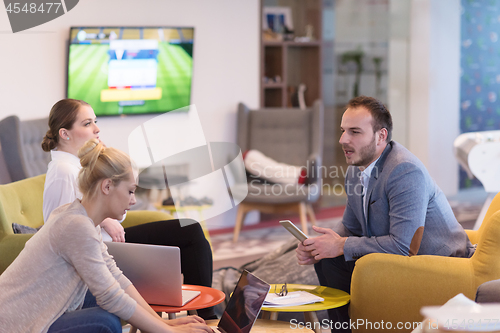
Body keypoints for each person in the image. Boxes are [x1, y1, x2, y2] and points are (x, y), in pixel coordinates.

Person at [296, 96, 474, 331]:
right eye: (343, 131)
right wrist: (321, 244)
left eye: (355, 132)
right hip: (400, 259)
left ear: (381, 136)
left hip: (439, 264)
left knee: (338, 254)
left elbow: (404, 246)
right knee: (327, 259)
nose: (343, 140)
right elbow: (350, 227)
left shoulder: (405, 170)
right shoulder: (356, 170)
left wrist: (341, 245)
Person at [0, 139, 212, 333]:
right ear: (107, 186)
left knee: (113, 300)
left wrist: (165, 324)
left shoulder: (81, 217)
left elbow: (115, 276)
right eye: (130, 191)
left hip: (30, 312)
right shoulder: (76, 225)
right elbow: (110, 295)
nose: (133, 201)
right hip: (16, 324)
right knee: (106, 321)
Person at [41, 99, 215, 319]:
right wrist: (104, 220)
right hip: (99, 253)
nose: (97, 128)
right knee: (188, 234)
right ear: (65, 134)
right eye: (87, 124)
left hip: (109, 243)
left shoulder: (78, 164)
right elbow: (59, 225)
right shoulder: (63, 171)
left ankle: (203, 314)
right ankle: (206, 317)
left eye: (95, 121)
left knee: (190, 230)